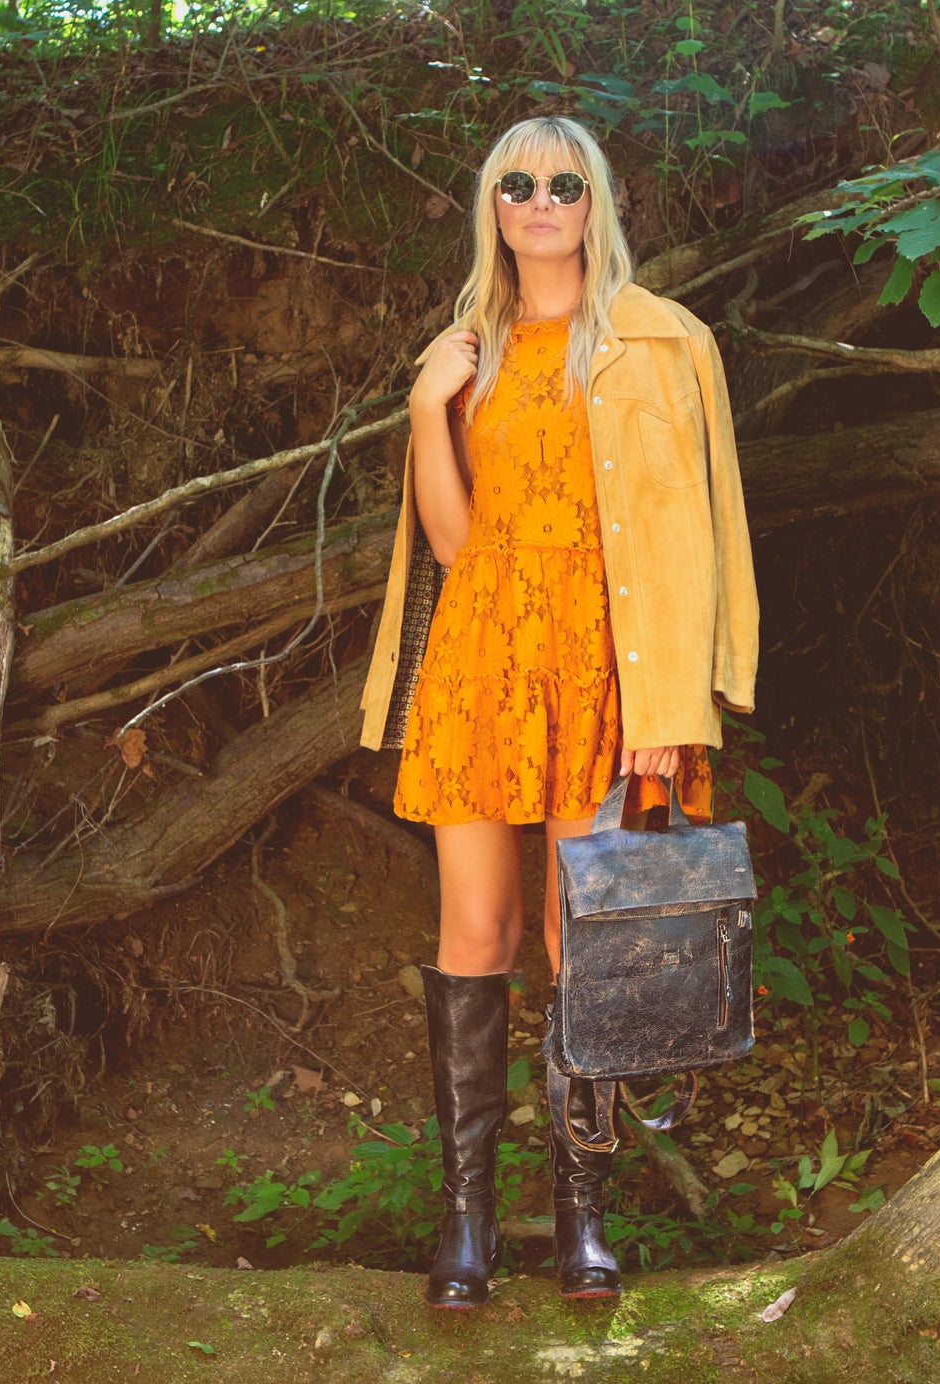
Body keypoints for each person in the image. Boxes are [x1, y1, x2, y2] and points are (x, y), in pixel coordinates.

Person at [360, 115, 758, 1307]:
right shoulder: (467, 347)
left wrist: (672, 701)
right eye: (518, 183)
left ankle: (580, 1218)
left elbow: (703, 530)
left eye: (564, 182)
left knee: (582, 943)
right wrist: (430, 408)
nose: (541, 200)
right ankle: (468, 1225)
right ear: (494, 203)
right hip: (485, 667)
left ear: (597, 203)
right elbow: (451, 543)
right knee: (474, 936)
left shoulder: (664, 341)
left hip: (611, 673)